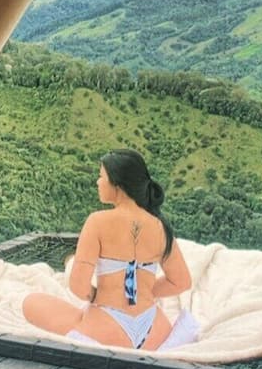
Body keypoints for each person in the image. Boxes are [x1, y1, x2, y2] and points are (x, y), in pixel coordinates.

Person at [22, 149, 198, 350]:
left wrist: (96, 296)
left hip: (108, 328)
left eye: (101, 177)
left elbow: (78, 286)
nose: (98, 182)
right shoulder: (160, 227)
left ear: (117, 185)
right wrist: (145, 290)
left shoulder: (97, 221)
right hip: (154, 331)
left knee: (32, 302)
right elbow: (181, 281)